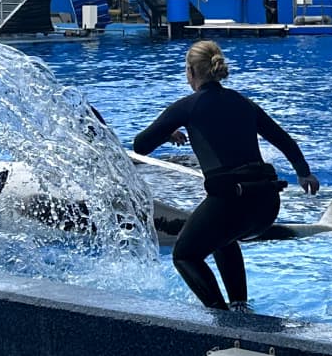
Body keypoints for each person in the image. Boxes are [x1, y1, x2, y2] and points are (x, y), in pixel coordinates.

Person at [133, 40, 319, 310]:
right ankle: (241, 307)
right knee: (222, 238)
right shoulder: (243, 102)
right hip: (267, 203)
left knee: (185, 254)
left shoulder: (187, 107)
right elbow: (284, 139)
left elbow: (141, 146)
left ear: (191, 72)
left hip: (232, 201)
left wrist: (166, 132)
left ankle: (221, 318)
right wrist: (304, 174)